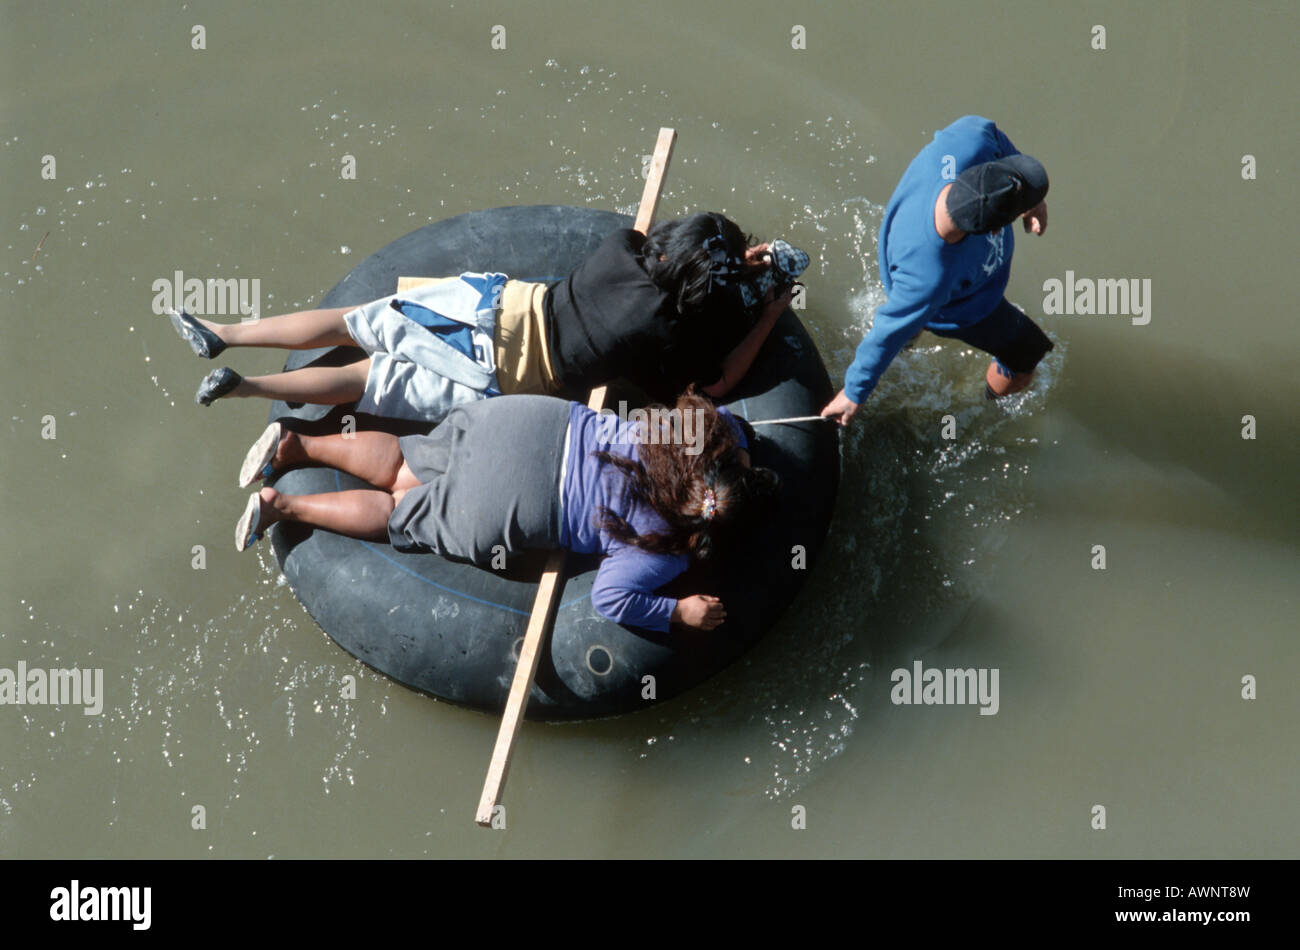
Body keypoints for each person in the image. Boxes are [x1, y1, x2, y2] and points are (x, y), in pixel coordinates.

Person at [232, 391, 779, 632]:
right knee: (401, 507)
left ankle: (295, 446)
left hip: (523, 423)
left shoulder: (681, 436)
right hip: (515, 502)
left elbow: (727, 420)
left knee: (406, 457)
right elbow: (612, 599)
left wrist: (740, 453)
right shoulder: (667, 548)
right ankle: (282, 506)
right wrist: (677, 614)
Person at [169, 212, 805, 419]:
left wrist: (739, 256)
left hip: (489, 307)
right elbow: (714, 387)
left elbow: (672, 251)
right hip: (502, 375)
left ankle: (225, 335)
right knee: (369, 381)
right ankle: (248, 388)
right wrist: (770, 310)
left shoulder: (622, 250)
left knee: (352, 321)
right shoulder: (669, 334)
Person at [821, 115, 1052, 426]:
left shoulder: (964, 147)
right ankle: (989, 412)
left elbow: (990, 132)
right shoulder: (930, 276)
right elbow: (888, 328)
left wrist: (1031, 201)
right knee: (1027, 353)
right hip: (964, 309)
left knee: (911, 319)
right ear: (993, 229)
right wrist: (854, 393)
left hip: (924, 276)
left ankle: (912, 336)